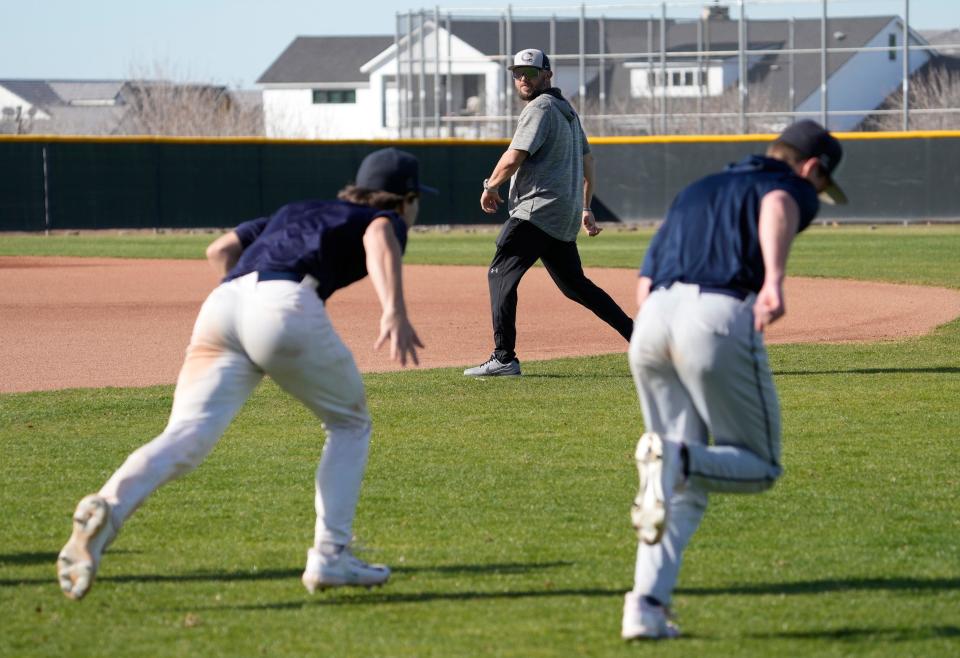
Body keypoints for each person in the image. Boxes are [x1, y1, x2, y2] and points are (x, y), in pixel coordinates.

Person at [57, 147, 430, 600]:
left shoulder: (297, 209)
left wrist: (247, 318)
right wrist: (393, 309)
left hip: (223, 304)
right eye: (415, 201)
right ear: (405, 199)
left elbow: (222, 248)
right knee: (349, 423)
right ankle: (331, 556)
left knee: (184, 437)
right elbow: (377, 234)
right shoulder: (385, 219)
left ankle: (109, 507)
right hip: (283, 303)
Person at [622, 120, 847, 639]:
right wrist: (774, 279)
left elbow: (645, 278)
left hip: (652, 320)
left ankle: (646, 607)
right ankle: (675, 457)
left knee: (679, 483)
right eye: (818, 183)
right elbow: (778, 206)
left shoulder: (699, 187)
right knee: (759, 464)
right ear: (812, 168)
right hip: (716, 315)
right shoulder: (789, 184)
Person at [463, 48, 633, 377]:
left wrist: (490, 186)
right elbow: (589, 162)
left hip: (537, 209)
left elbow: (515, 156)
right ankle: (640, 339)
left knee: (500, 274)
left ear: (547, 75)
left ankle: (504, 357)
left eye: (531, 72)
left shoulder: (540, 107)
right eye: (518, 73)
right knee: (576, 286)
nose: (524, 78)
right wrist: (584, 206)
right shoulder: (567, 110)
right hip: (562, 213)